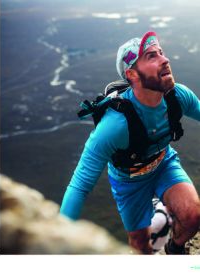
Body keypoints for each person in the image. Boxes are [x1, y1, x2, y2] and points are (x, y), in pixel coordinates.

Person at [60, 31, 200, 254]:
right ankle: (158, 213)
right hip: (129, 182)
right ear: (132, 74)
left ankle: (175, 248)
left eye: (161, 53)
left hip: (164, 164)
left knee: (193, 216)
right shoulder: (114, 126)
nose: (165, 59)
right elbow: (80, 185)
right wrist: (58, 236)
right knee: (140, 246)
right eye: (151, 56)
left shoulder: (178, 96)